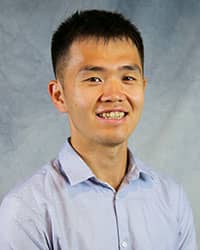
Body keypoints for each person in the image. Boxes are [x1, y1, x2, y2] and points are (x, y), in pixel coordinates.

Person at [0, 9, 198, 250]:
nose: (114, 95)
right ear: (59, 95)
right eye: (94, 79)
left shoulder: (172, 199)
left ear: (143, 88)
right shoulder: (27, 212)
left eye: (127, 78)